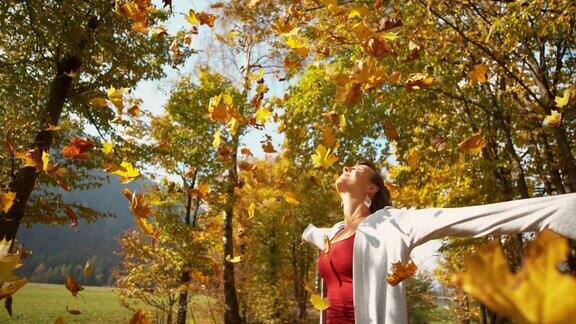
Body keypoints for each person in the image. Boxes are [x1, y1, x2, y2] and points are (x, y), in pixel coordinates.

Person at [301, 160, 576, 324]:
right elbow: (314, 234)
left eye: (358, 168)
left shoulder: (392, 223)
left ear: (372, 189)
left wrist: (564, 208)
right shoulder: (333, 233)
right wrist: (307, 231)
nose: (346, 167)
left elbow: (463, 218)